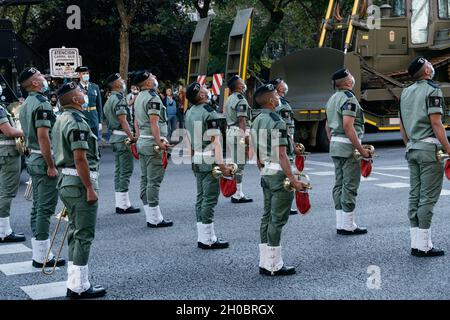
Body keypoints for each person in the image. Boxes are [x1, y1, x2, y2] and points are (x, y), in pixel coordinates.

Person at [52, 82, 106, 299]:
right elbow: (80, 158)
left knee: (75, 233)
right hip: (78, 183)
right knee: (83, 234)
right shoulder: (77, 122)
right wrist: (89, 188)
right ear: (75, 100)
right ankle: (80, 287)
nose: (84, 93)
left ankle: (75, 281)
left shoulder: (62, 118)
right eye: (80, 92)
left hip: (67, 181)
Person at [250, 83, 306, 276]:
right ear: (272, 100)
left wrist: (260, 165)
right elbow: (282, 154)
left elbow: (255, 147)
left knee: (267, 216)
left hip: (266, 171)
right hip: (279, 174)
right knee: (277, 219)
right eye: (276, 94)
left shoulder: (257, 120)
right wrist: (294, 180)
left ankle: (265, 261)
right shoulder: (277, 121)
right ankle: (274, 264)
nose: (278, 97)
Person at [400, 57, 449, 257]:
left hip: (412, 148)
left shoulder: (406, 92)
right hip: (429, 150)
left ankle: (416, 242)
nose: (431, 66)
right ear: (427, 71)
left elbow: (402, 125)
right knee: (428, 197)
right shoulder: (432, 90)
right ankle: (424, 246)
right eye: (429, 64)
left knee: (415, 195)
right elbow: (436, 124)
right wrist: (448, 148)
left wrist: (409, 144)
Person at [18, 67, 65, 267]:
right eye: (39, 76)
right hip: (42, 159)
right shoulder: (41, 103)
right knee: (45, 209)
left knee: (38, 207)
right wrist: (51, 165)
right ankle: (43, 256)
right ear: (34, 84)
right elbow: (43, 136)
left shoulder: (28, 103)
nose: (43, 78)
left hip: (34, 159)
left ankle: (40, 252)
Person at [185, 82, 232, 249]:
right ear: (202, 95)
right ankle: (208, 239)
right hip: (209, 160)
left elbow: (188, 140)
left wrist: (191, 160)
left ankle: (202, 236)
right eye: (204, 87)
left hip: (197, 159)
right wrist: (222, 165)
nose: (207, 88)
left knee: (200, 198)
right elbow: (216, 142)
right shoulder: (209, 113)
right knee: (209, 200)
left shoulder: (189, 112)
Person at [325, 68, 371, 236]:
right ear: (348, 82)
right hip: (348, 148)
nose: (353, 78)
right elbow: (347, 126)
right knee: (350, 186)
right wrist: (361, 150)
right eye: (351, 76)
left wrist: (334, 142)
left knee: (339, 184)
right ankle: (348, 225)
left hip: (336, 146)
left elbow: (327, 125)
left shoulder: (332, 99)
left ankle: (340, 222)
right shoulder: (349, 98)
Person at [133, 71, 173, 228]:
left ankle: (151, 215)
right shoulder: (152, 97)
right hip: (152, 143)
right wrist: (160, 142)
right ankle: (155, 218)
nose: (155, 77)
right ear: (148, 83)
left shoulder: (139, 97)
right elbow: (154, 123)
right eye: (151, 77)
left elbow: (136, 121)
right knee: (153, 181)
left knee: (145, 179)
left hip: (143, 141)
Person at [103, 73, 140, 214]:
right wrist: (132, 137)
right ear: (117, 84)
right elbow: (123, 121)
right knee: (125, 171)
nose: (123, 81)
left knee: (119, 171)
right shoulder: (119, 99)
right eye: (121, 80)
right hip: (123, 138)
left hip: (116, 138)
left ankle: (121, 202)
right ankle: (123, 205)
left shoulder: (110, 99)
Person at [271, 77, 303, 215]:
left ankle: (274, 203)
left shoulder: (271, 103)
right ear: (280, 88)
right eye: (282, 83)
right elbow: (287, 129)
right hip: (284, 144)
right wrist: (294, 145)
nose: (285, 84)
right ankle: (284, 205)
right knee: (285, 173)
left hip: (272, 144)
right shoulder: (283, 105)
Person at [0, 91, 26, 243]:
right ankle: (4, 231)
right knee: (6, 192)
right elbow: (8, 131)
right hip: (7, 154)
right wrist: (27, 132)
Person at [224, 75, 253, 203]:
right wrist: (245, 137)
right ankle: (237, 194)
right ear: (239, 86)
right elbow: (242, 120)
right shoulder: (241, 100)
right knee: (239, 164)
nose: (244, 84)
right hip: (238, 132)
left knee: (235, 162)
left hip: (230, 131)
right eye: (242, 82)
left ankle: (234, 190)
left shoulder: (229, 99)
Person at [75, 66, 103, 139]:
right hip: (82, 117)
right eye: (83, 73)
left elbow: (99, 105)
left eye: (87, 73)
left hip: (93, 117)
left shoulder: (94, 87)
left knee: (95, 141)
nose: (86, 75)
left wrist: (100, 121)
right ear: (79, 75)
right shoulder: (76, 88)